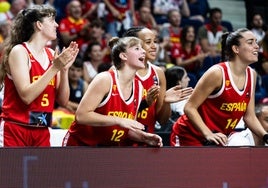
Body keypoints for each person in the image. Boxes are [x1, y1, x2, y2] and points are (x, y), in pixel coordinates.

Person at [170, 28, 268, 146]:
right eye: (250, 42)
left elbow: (249, 117)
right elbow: (189, 108)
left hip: (216, 137)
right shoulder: (217, 73)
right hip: (189, 135)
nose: (257, 46)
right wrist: (208, 133)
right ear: (236, 49)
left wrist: (265, 136)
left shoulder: (252, 74)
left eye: (256, 42)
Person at [0, 4, 79, 147]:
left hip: (42, 129)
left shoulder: (50, 55)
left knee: (41, 170)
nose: (56, 24)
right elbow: (26, 96)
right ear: (39, 25)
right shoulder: (20, 51)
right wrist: (55, 68)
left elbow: (63, 101)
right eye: (52, 20)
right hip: (16, 128)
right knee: (13, 170)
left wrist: (64, 70)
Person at [63, 36, 163, 147]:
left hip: (107, 148)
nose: (144, 51)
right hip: (80, 145)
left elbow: (126, 128)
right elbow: (81, 116)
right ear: (123, 56)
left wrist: (144, 137)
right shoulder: (105, 79)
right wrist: (118, 120)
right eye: (137, 48)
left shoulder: (139, 87)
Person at [123, 26, 185, 135]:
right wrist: (145, 103)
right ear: (132, 45)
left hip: (148, 140)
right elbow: (116, 113)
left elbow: (162, 120)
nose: (154, 46)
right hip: (121, 141)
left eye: (155, 42)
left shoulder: (158, 73)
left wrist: (166, 102)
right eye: (148, 42)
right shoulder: (119, 72)